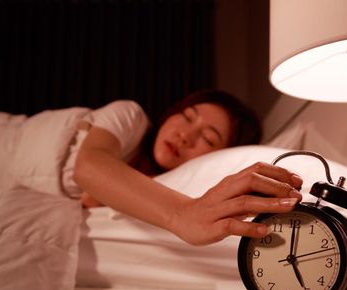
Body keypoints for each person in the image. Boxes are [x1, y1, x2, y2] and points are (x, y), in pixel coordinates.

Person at [73, 89, 303, 246]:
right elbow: (88, 167)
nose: (185, 135)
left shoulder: (170, 179)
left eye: (208, 139)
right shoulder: (130, 118)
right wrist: (182, 214)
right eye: (187, 116)